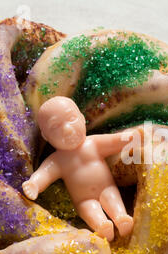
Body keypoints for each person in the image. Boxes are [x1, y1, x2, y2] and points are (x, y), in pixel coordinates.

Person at [22, 96, 139, 241]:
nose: (67, 129)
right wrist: (35, 184)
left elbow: (114, 141)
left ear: (82, 118)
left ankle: (121, 218)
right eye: (55, 127)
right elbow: (45, 172)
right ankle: (101, 226)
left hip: (106, 187)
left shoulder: (93, 143)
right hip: (84, 199)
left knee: (112, 198)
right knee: (90, 210)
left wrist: (130, 138)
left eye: (71, 119)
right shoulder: (57, 160)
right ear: (46, 136)